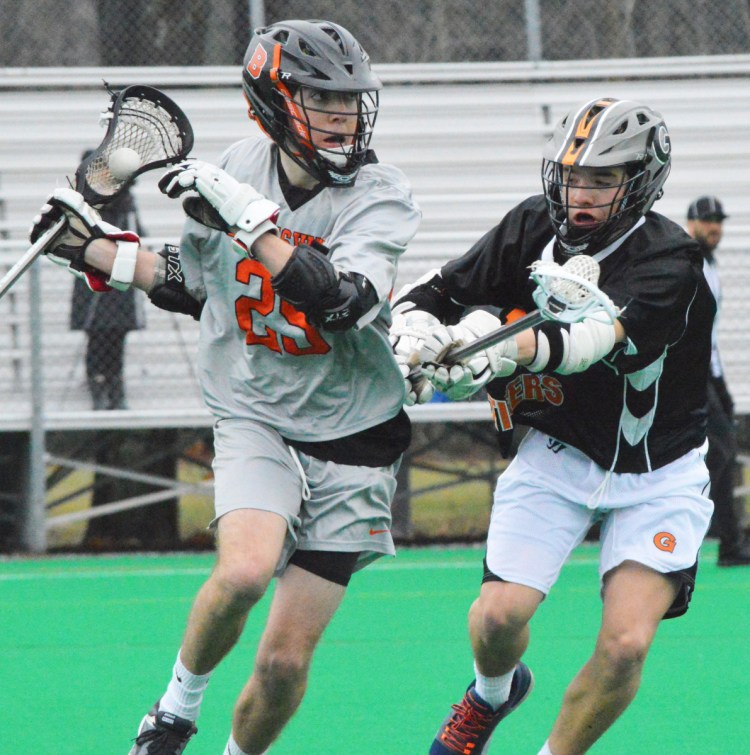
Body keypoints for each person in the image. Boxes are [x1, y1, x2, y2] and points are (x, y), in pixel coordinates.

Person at [30, 19, 420, 755]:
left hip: (355, 436)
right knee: (243, 569)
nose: (343, 114)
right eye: (320, 97)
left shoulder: (383, 193)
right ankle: (174, 711)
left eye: (350, 99)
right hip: (257, 410)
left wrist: (248, 221)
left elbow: (339, 301)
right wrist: (95, 251)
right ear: (272, 103)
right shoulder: (241, 163)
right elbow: (196, 283)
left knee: (281, 662)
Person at [389, 97, 715, 755]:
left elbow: (595, 338)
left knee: (625, 644)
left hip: (660, 471)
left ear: (643, 180)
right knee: (497, 617)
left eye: (600, 179)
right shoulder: (534, 224)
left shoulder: (671, 259)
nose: (580, 193)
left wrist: (505, 348)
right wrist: (418, 333)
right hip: (559, 450)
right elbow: (435, 290)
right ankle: (491, 692)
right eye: (572, 176)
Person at [687, 195, 750, 566]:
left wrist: (721, 382)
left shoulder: (711, 266)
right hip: (689, 372)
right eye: (709, 220)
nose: (715, 228)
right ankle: (726, 542)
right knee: (720, 452)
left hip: (707, 371)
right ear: (692, 222)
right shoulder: (688, 262)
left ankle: (727, 540)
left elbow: (708, 333)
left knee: (720, 453)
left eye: (719, 221)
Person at [71, 150, 145, 410]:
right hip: (92, 278)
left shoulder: (125, 204)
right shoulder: (86, 204)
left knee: (118, 333)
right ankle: (97, 386)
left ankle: (115, 385)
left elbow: (139, 236)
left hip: (120, 280)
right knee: (96, 334)